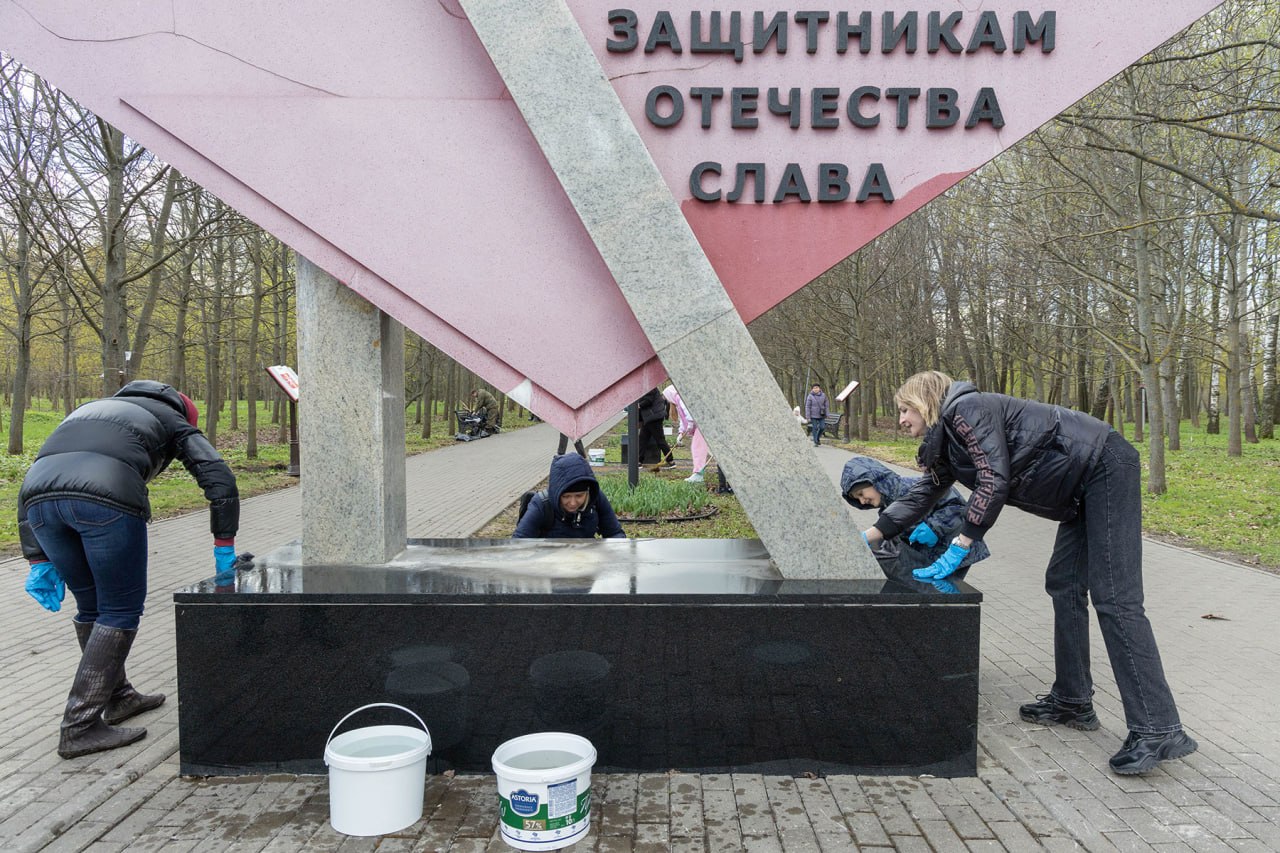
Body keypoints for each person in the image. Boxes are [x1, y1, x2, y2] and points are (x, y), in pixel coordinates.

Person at [864, 370, 1196, 775]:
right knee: (1063, 584)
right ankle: (1073, 700)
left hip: (1103, 467)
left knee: (1116, 598)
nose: (900, 419)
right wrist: (872, 534)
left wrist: (963, 540)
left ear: (926, 399)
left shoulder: (966, 409)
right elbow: (922, 494)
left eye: (904, 408)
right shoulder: (948, 443)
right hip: (1080, 487)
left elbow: (993, 477)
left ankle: (1158, 728)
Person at [18, 380, 240, 759]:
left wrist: (37, 557)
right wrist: (224, 544)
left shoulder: (86, 411)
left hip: (36, 503)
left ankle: (118, 697)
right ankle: (79, 726)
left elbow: (42, 469)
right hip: (106, 501)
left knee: (92, 608)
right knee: (120, 610)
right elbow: (218, 477)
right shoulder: (172, 418)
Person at [841, 455, 989, 585]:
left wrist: (934, 526)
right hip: (934, 554)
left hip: (955, 548)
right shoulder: (887, 508)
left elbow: (959, 508)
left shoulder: (913, 487)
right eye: (857, 499)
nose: (862, 501)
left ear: (875, 481)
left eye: (861, 493)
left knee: (942, 591)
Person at [513, 453, 626, 539]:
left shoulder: (596, 498)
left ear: (587, 492)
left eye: (579, 496)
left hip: (586, 560)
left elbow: (615, 534)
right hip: (548, 563)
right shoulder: (541, 504)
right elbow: (519, 542)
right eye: (566, 497)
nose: (573, 503)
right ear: (556, 493)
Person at [663, 385, 710, 483]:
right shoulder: (677, 401)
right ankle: (698, 473)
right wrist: (681, 432)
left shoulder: (680, 397)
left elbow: (688, 413)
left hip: (702, 425)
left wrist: (690, 423)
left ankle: (698, 474)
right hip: (699, 425)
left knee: (697, 448)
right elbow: (682, 418)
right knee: (698, 449)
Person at [636, 387, 674, 470]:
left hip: (654, 417)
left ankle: (670, 460)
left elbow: (648, 401)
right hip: (649, 417)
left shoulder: (649, 387)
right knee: (643, 439)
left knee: (660, 440)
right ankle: (639, 461)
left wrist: (638, 405)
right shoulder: (646, 387)